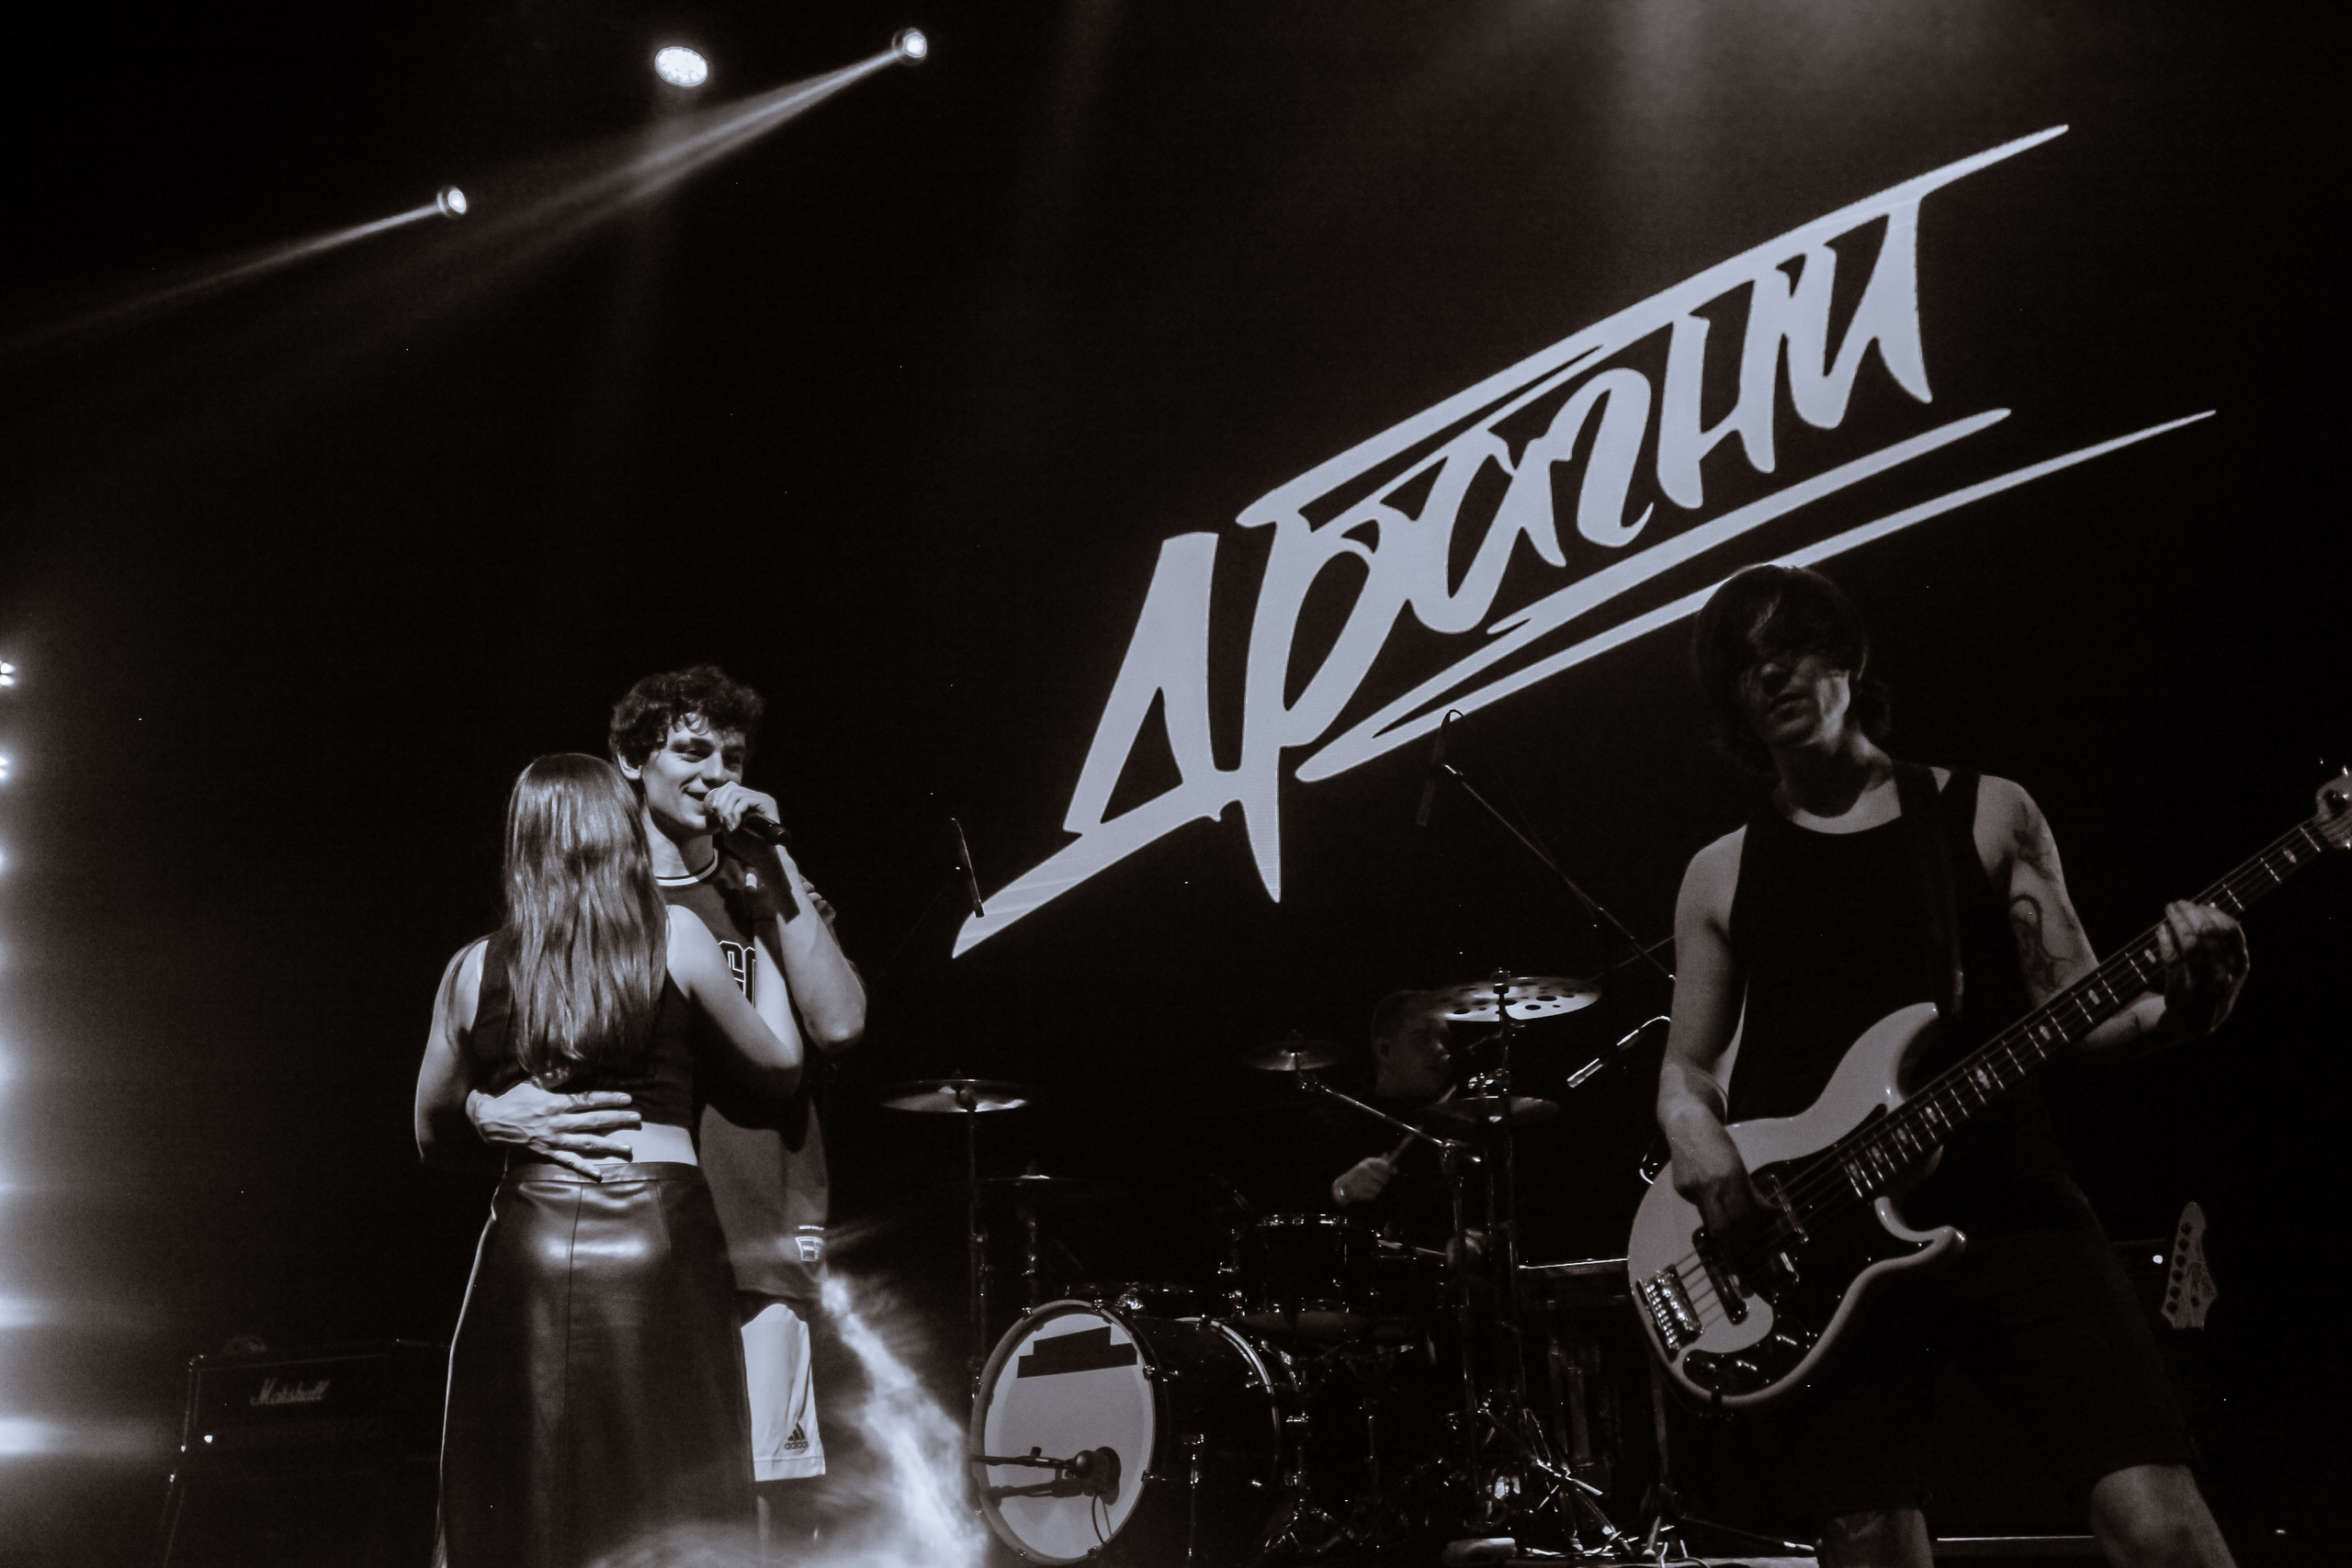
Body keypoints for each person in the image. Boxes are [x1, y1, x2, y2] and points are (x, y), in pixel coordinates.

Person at [1654, 565, 2247, 1568]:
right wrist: (1698, 1145)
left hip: (2008, 1200)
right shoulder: (1722, 870)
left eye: (1790, 645)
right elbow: (1687, 1068)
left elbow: (2084, 1022)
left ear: (1847, 656)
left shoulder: (1984, 812)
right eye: (1743, 664)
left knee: (2162, 1526)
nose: (1770, 673)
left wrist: (2189, 1004)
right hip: (1817, 1236)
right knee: (1868, 1543)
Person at [466, 666, 866, 1550]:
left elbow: (838, 1023)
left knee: (750, 1502)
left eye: (732, 755)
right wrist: (481, 1111)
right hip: (622, 1242)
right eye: (692, 750)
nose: (716, 771)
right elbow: (486, 1044)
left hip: (753, 1228)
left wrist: (769, 860)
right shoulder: (581, 914)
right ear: (630, 760)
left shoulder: (763, 885)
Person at [415, 753, 805, 1568]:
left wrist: (487, 1112)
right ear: (622, 834)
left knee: (525, 1492)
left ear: (523, 843)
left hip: (530, 1236)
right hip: (656, 1239)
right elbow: (778, 1065)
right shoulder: (682, 939)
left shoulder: (471, 968)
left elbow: (429, 1135)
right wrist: (762, 932)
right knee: (672, 1490)